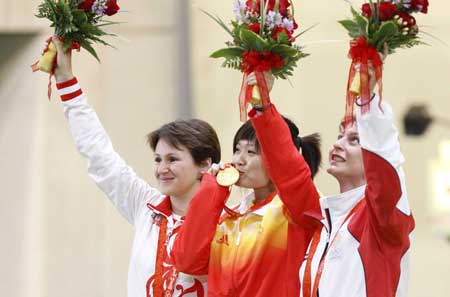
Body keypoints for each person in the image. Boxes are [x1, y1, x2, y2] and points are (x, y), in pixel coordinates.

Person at [51, 36, 221, 297]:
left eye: (173, 159)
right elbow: (100, 156)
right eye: (157, 159)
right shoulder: (146, 206)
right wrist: (66, 81)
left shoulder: (229, 219)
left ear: (205, 163)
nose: (162, 168)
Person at [245, 66, 415, 297]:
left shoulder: (384, 218)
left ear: (373, 154)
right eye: (339, 136)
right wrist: (262, 106)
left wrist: (367, 100)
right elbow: (290, 174)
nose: (337, 145)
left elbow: (387, 171)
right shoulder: (322, 218)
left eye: (354, 140)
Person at [171, 79, 323, 297]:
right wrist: (211, 192)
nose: (238, 160)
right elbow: (188, 262)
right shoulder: (229, 216)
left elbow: (292, 173)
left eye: (251, 152)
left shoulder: (296, 213)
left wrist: (262, 108)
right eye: (237, 150)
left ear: (276, 157)